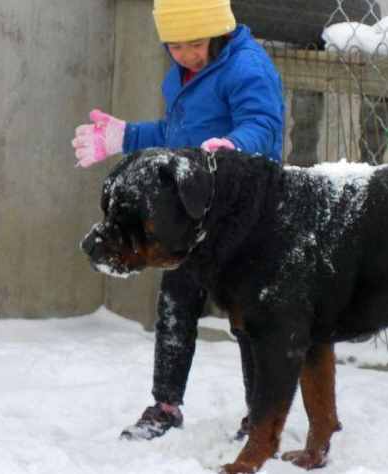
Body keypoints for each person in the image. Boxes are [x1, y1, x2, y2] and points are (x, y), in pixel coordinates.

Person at [71, 0, 284, 440]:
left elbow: (263, 122)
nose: (185, 54)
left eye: (195, 44)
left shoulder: (247, 67)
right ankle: (166, 404)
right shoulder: (184, 75)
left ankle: (259, 414)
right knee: (175, 305)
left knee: (248, 318)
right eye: (175, 46)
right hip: (192, 219)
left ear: (219, 32)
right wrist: (125, 135)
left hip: (244, 217)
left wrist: (233, 145)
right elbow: (175, 136)